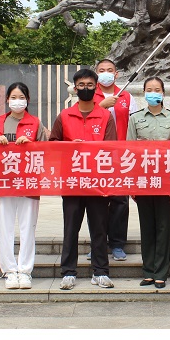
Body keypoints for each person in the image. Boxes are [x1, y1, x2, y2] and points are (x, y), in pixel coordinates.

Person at [50, 68, 117, 290]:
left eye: (89, 85)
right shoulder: (64, 115)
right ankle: (68, 272)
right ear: (75, 88)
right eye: (81, 85)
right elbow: (53, 144)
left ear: (96, 87)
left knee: (99, 228)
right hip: (72, 181)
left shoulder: (105, 116)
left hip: (97, 182)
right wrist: (70, 146)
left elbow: (112, 148)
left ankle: (101, 271)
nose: (85, 89)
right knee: (71, 228)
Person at [0, 82, 48, 289]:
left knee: (28, 228)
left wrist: (32, 145)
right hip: (4, 181)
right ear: (7, 100)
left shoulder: (36, 123)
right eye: (13, 97)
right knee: (4, 228)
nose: (17, 101)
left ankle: (25, 271)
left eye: (21, 97)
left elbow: (47, 152)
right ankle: (8, 271)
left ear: (28, 100)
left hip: (28, 182)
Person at [127, 77, 170, 289]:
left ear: (163, 93)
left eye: (157, 89)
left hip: (165, 180)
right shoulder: (135, 119)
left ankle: (161, 272)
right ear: (144, 93)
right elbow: (129, 152)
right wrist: (132, 183)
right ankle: (148, 271)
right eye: (149, 89)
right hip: (142, 179)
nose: (153, 93)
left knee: (163, 226)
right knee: (146, 226)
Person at [93, 59, 139, 261]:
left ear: (116, 74)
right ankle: (98, 244)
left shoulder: (126, 96)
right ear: (96, 74)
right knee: (97, 202)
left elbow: (135, 124)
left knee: (120, 200)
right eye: (102, 70)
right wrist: (101, 106)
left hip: (121, 156)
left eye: (109, 70)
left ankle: (118, 244)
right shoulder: (90, 96)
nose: (106, 73)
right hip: (96, 156)